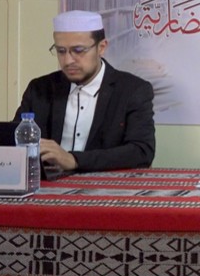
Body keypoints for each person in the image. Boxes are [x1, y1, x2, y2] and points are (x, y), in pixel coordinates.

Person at [15, 10, 155, 174]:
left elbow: (141, 152)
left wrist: (74, 160)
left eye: (78, 50)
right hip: (46, 184)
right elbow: (13, 140)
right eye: (61, 51)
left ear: (101, 47)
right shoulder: (40, 89)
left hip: (105, 185)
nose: (68, 60)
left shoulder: (132, 90)